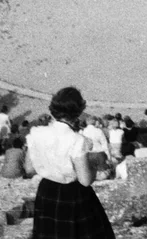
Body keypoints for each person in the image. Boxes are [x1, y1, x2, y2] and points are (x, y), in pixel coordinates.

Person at [24, 86, 115, 239]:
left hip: (46, 191)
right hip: (72, 194)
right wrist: (93, 165)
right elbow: (85, 180)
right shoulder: (77, 140)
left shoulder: (36, 133)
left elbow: (28, 168)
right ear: (78, 112)